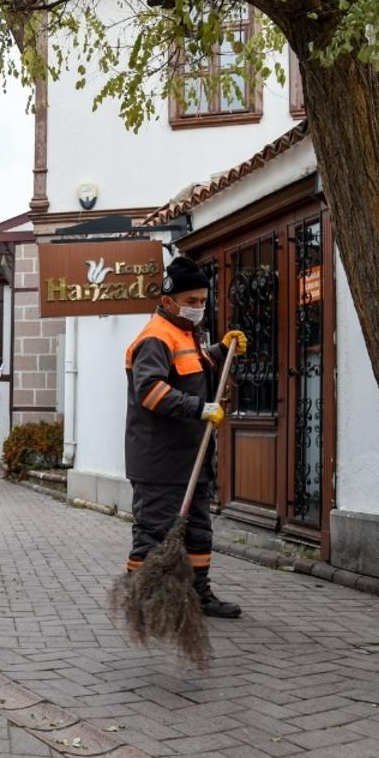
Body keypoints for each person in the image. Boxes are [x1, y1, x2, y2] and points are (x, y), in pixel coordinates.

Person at [124, 255, 247, 618]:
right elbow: (149, 390)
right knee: (153, 534)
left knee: (198, 533)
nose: (198, 308)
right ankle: (140, 598)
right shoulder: (155, 337)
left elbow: (191, 371)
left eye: (203, 301)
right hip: (159, 460)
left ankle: (198, 595)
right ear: (168, 300)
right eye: (191, 301)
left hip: (192, 456)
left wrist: (221, 351)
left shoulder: (186, 334)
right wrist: (198, 408)